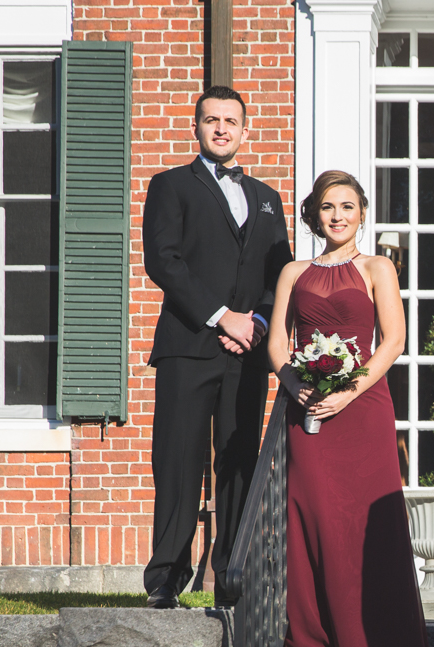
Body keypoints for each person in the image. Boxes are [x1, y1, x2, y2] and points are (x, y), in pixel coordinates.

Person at [264, 171, 431, 647]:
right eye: (327, 207)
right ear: (314, 215)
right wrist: (296, 386)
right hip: (309, 409)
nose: (337, 216)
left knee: (365, 525)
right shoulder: (293, 272)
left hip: (363, 410)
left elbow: (393, 340)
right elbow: (277, 344)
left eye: (347, 206)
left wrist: (348, 392)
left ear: (361, 214)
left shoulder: (378, 267)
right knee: (313, 520)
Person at [142, 85, 292, 609]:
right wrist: (222, 316)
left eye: (231, 121)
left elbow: (281, 273)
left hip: (247, 353)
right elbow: (163, 261)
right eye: (212, 120)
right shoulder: (170, 185)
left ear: (245, 131)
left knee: (239, 461)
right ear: (196, 128)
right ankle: (166, 578)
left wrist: (257, 322)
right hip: (188, 346)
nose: (222, 128)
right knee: (178, 461)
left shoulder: (269, 198)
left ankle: (231, 576)